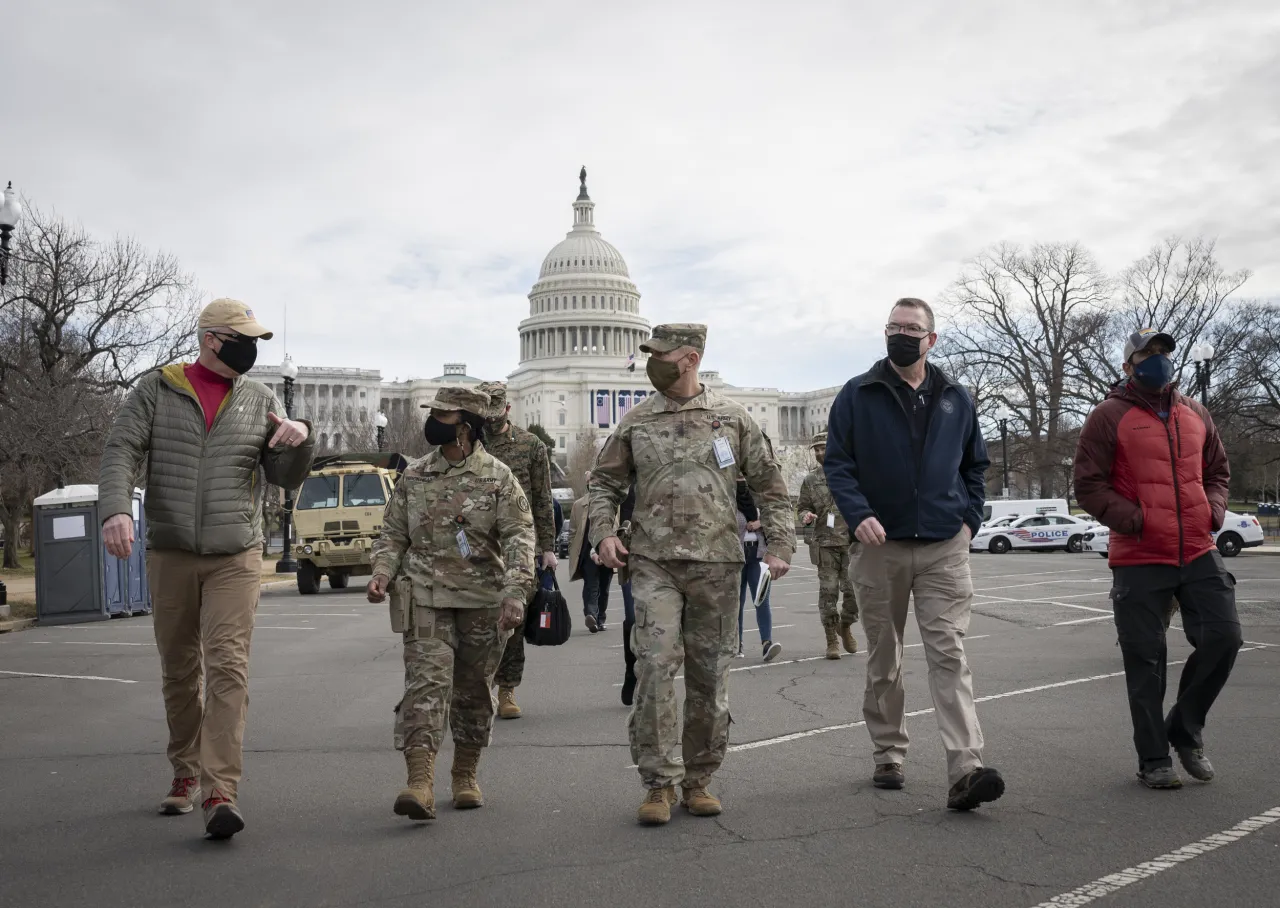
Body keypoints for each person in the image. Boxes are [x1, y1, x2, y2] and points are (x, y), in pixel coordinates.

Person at [98, 298, 316, 839]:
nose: (252, 348)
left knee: (228, 666)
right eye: (243, 338)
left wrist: (300, 439)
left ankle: (221, 791)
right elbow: (120, 449)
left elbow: (283, 478)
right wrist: (116, 509)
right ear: (212, 339)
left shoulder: (260, 398)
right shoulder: (156, 388)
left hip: (235, 553)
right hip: (171, 549)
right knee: (179, 669)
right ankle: (184, 770)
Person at [589, 323, 795, 826]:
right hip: (654, 563)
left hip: (718, 566)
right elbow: (604, 482)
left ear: (690, 358)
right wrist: (603, 532)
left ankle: (699, 778)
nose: (651, 362)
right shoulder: (636, 421)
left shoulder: (731, 418)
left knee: (709, 677)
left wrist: (781, 543)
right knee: (655, 667)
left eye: (661, 354)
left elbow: (770, 484)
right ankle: (659, 783)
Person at [825, 297, 1003, 811]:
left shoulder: (956, 398)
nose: (901, 334)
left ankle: (966, 766)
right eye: (893, 326)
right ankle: (888, 751)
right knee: (886, 656)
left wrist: (970, 521)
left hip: (945, 545)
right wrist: (858, 515)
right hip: (881, 546)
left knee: (949, 653)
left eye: (912, 328)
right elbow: (839, 464)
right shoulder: (858, 395)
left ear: (932, 339)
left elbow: (976, 467)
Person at [1074, 327, 1241, 790]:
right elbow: (1088, 485)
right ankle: (1153, 758)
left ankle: (1184, 732)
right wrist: (1137, 520)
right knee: (1145, 660)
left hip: (1197, 549)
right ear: (1128, 366)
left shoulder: (1196, 413)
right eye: (1146, 354)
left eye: (1164, 351)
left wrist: (1214, 509)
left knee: (1224, 638)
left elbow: (1218, 471)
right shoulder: (1108, 417)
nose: (1158, 359)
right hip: (1140, 554)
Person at [367, 386, 536, 821]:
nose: (432, 422)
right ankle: (419, 783)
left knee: (473, 692)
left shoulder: (498, 478)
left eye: (442, 416)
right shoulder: (416, 475)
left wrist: (516, 592)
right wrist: (383, 571)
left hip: (482, 603)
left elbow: (520, 538)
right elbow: (393, 533)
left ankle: (465, 773)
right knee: (425, 687)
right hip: (425, 597)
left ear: (465, 427)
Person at [475, 380, 557, 720]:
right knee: (477, 618)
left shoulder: (530, 445)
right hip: (478, 543)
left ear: (507, 409)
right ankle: (481, 688)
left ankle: (507, 688)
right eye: (486, 416)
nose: (491, 422)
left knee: (514, 619)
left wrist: (548, 547)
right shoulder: (469, 443)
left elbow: (542, 498)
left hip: (518, 544)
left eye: (496, 415)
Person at [797, 430, 859, 659]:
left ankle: (846, 624)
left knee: (854, 593)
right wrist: (805, 516)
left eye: (824, 447)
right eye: (817, 449)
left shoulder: (851, 473)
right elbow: (802, 507)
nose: (820, 452)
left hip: (852, 543)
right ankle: (831, 638)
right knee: (828, 593)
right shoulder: (811, 480)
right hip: (825, 543)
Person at [735, 478, 782, 662]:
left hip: (758, 556)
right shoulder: (728, 498)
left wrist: (760, 522)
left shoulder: (761, 498)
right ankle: (736, 644)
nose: (743, 482)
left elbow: (775, 518)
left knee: (761, 599)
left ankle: (766, 644)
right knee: (735, 603)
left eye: (745, 479)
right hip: (736, 557)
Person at [570, 471, 614, 632]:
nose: (592, 484)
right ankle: (591, 615)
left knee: (604, 587)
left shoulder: (611, 504)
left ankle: (600, 617)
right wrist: (573, 552)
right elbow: (573, 533)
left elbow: (616, 528)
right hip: (587, 553)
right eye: (589, 481)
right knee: (591, 585)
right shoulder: (578, 505)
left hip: (608, 552)